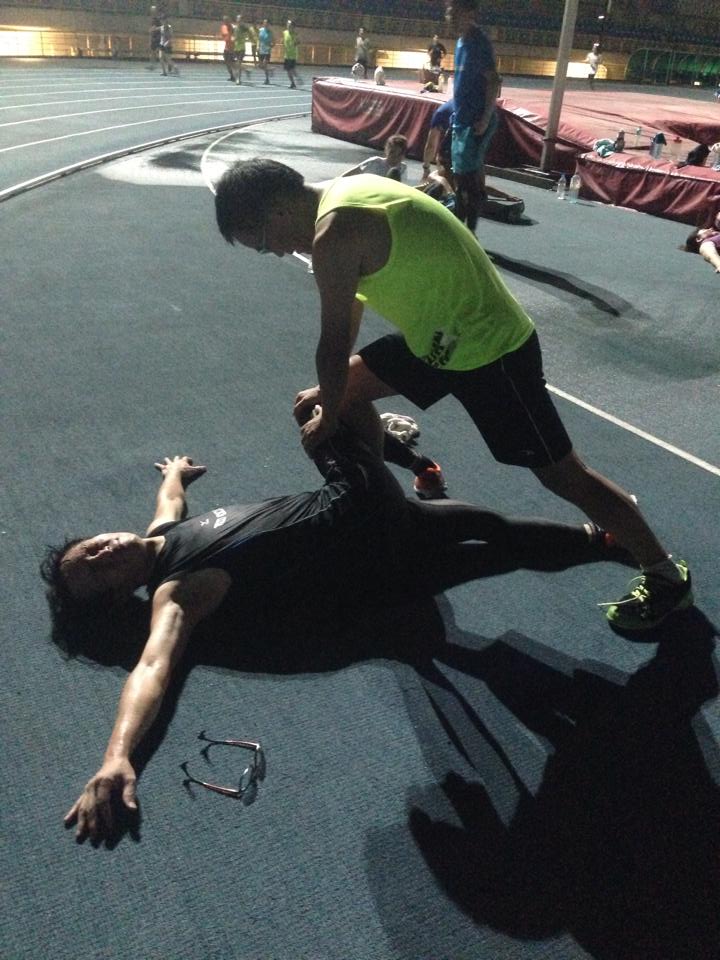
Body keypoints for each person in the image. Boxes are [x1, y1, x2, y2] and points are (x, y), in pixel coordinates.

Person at [43, 406, 627, 841]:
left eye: (90, 548)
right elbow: (153, 667)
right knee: (322, 404)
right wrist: (117, 756)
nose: (102, 552)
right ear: (118, 594)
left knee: (492, 531)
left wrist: (174, 473)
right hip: (361, 521)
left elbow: (170, 502)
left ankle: (608, 540)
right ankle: (400, 448)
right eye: (96, 570)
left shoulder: (161, 534)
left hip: (372, 531)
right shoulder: (175, 594)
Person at [213, 159, 693, 631]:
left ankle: (664, 574)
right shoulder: (347, 191)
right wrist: (333, 401)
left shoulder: (335, 233)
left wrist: (330, 417)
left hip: (489, 352)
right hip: (438, 338)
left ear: (275, 211)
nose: (276, 253)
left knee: (564, 476)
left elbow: (333, 344)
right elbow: (351, 311)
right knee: (328, 397)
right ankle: (383, 513)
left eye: (263, 244)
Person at [447, 0, 500, 233]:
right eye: (449, 13)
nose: (450, 18)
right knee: (460, 178)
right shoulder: (461, 42)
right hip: (461, 119)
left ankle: (469, 233)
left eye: (455, 13)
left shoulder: (479, 43)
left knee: (467, 180)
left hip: (475, 122)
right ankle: (464, 231)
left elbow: (493, 81)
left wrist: (485, 118)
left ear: (469, 13)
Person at [341, 135, 409, 183]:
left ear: (404, 155)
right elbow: (347, 175)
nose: (395, 156)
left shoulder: (403, 168)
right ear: (386, 150)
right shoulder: (375, 162)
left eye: (399, 154)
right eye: (392, 152)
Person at [233, 15, 254, 84]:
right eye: (238, 19)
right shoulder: (235, 28)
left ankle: (238, 79)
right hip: (235, 47)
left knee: (238, 63)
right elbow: (233, 36)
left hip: (242, 48)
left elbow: (250, 34)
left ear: (242, 21)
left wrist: (249, 38)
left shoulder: (244, 28)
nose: (239, 21)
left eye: (240, 20)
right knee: (237, 64)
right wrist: (233, 39)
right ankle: (246, 70)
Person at [283, 20, 300, 89]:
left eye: (290, 25)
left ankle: (296, 79)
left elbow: (298, 42)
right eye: (287, 25)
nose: (288, 26)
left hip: (293, 55)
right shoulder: (285, 32)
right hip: (286, 55)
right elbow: (284, 40)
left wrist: (296, 43)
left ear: (293, 26)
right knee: (288, 70)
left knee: (291, 69)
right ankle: (293, 82)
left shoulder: (295, 34)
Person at [257, 18, 274, 85]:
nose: (265, 24)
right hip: (261, 50)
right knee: (260, 66)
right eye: (264, 22)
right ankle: (270, 70)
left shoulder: (270, 32)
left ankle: (267, 79)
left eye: (266, 22)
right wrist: (258, 46)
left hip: (267, 51)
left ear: (268, 24)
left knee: (264, 64)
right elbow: (258, 39)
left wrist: (272, 45)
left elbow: (274, 41)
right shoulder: (260, 30)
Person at [219, 15, 235, 81]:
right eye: (224, 20)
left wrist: (232, 40)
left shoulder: (233, 27)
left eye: (226, 20)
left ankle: (241, 71)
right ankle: (232, 76)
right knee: (227, 63)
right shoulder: (224, 27)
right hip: (226, 48)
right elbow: (223, 36)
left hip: (232, 49)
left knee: (232, 63)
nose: (225, 22)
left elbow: (235, 37)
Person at [148, 5, 162, 71]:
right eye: (151, 10)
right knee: (152, 52)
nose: (152, 12)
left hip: (157, 38)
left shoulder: (157, 19)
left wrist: (153, 29)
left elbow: (161, 27)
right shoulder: (153, 19)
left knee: (159, 52)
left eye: (153, 10)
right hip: (154, 37)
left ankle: (169, 65)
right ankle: (152, 65)